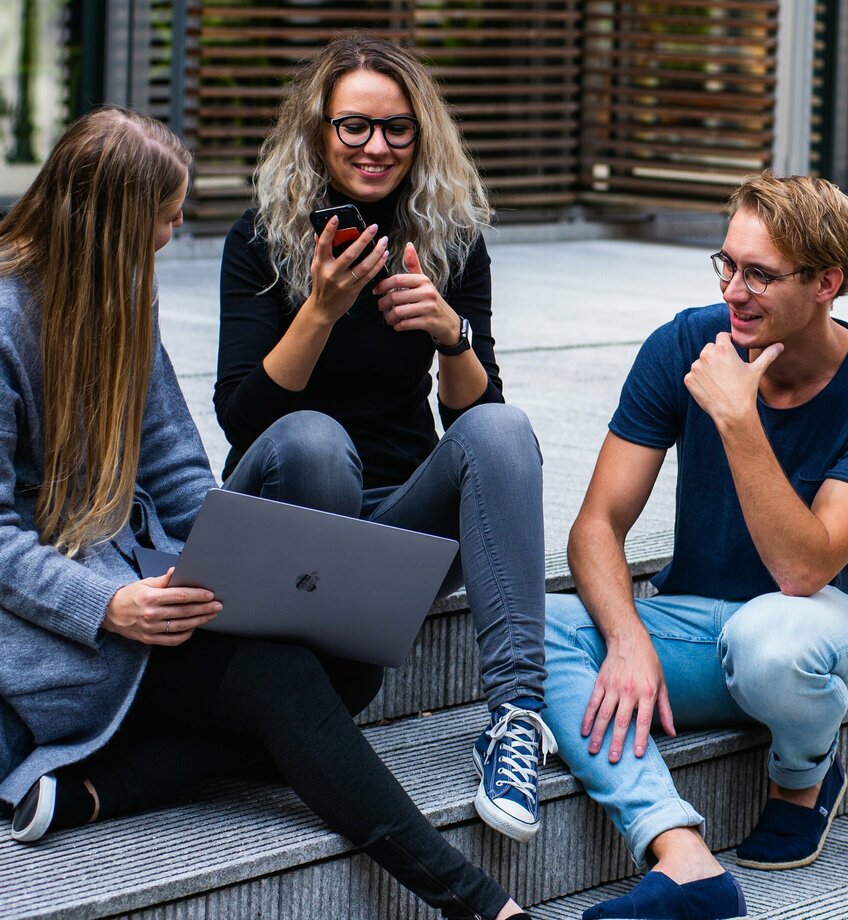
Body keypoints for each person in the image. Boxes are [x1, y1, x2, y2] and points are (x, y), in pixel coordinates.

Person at [0, 106, 536, 920]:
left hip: (149, 588)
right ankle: (481, 904)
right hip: (66, 625)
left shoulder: (118, 301)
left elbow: (179, 470)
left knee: (343, 669)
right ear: (112, 222)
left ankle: (99, 790)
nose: (173, 234)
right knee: (284, 680)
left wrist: (218, 567)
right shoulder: (8, 322)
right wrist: (108, 604)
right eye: (165, 216)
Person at [215, 30, 554, 843]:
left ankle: (515, 720)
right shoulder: (260, 239)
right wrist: (321, 310)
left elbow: (478, 424)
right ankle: (304, 687)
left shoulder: (451, 239)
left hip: (397, 529)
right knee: (314, 441)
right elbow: (243, 419)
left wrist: (451, 336)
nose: (376, 147)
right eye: (354, 126)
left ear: (421, 132)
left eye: (397, 127)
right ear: (318, 130)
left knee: (504, 430)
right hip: (290, 510)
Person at [544, 171, 848, 920]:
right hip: (693, 627)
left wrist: (738, 420)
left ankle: (806, 768)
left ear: (827, 283)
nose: (734, 292)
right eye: (727, 265)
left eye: (761, 274)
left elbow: (804, 568)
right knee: (533, 626)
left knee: (771, 635)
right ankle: (683, 857)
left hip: (811, 635)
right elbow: (596, 526)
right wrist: (624, 637)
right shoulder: (686, 342)